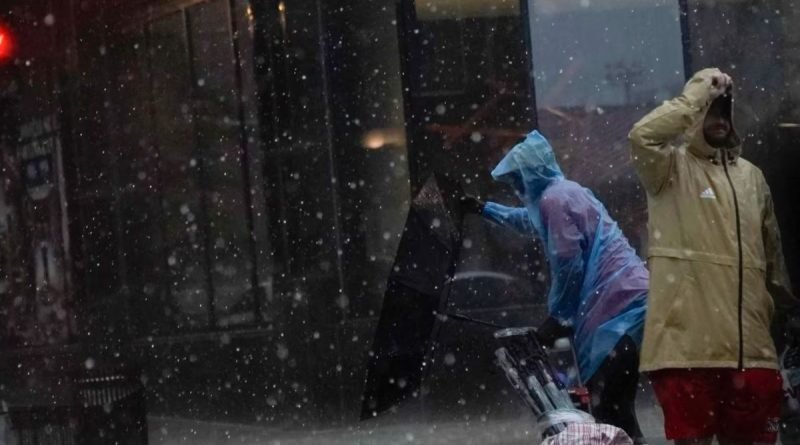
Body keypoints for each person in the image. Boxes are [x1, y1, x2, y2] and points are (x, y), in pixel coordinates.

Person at [628, 67, 800, 445]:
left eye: (724, 110)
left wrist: (789, 312)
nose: (718, 119)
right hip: (688, 350)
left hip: (751, 352)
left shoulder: (752, 177)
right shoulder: (669, 169)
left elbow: (772, 258)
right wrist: (699, 94)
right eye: (710, 110)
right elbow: (642, 136)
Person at [461, 130, 649, 444]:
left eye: (519, 179)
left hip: (614, 307)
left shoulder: (555, 198)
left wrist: (557, 317)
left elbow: (568, 263)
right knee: (616, 408)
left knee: (609, 410)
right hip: (624, 303)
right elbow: (528, 220)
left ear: (532, 173)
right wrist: (485, 209)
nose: (518, 188)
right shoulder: (563, 192)